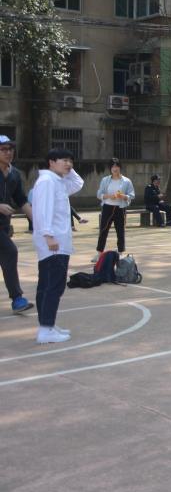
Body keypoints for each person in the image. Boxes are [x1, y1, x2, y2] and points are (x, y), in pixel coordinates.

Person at [31, 148, 85, 344]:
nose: (68, 164)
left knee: (47, 284)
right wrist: (48, 236)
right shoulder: (47, 182)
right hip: (53, 243)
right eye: (64, 160)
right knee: (53, 285)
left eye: (70, 160)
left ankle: (47, 325)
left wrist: (68, 169)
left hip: (57, 242)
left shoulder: (58, 181)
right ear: (51, 162)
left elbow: (78, 183)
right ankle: (46, 329)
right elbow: (42, 211)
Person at [0, 135, 34, 315]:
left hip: (3, 226)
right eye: (3, 149)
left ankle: (17, 300)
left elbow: (21, 200)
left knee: (8, 256)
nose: (8, 153)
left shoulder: (14, 174)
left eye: (10, 149)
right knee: (10, 252)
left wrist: (37, 221)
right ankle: (17, 298)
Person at [94, 158, 134, 261]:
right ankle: (99, 253)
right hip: (107, 207)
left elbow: (131, 195)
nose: (114, 169)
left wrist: (123, 196)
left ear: (120, 167)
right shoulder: (105, 180)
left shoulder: (126, 181)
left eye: (116, 166)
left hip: (120, 208)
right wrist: (108, 196)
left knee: (120, 231)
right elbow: (99, 194)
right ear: (110, 168)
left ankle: (120, 252)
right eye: (112, 166)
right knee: (103, 230)